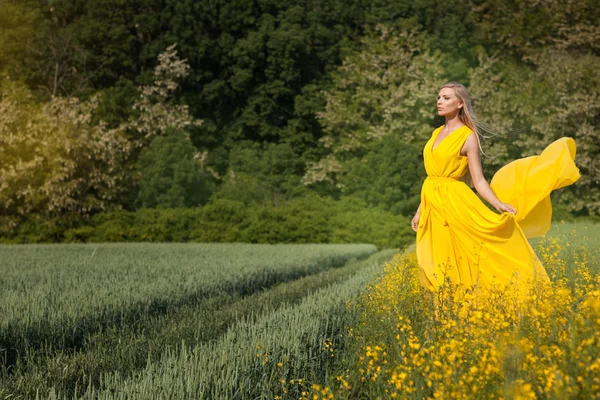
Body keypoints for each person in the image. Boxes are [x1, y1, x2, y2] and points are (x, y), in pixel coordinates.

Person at [412, 82, 580, 295]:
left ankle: (491, 300)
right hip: (432, 206)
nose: (439, 101)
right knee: (434, 261)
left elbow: (479, 181)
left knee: (463, 257)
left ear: (460, 104)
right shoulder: (436, 132)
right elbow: (432, 178)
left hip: (455, 205)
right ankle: (446, 314)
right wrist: (420, 210)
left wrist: (498, 204)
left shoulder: (468, 137)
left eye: (446, 98)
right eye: (438, 97)